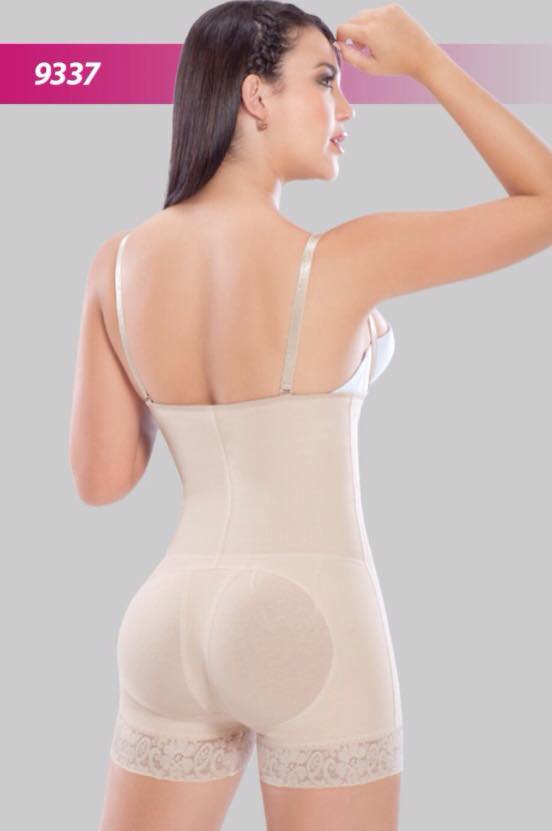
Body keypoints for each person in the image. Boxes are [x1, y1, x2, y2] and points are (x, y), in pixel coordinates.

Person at [68, 3, 552, 830]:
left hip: (166, 624)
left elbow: (103, 480)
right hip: (311, 618)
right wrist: (428, 62)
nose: (347, 108)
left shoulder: (116, 263)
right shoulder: (341, 260)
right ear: (255, 96)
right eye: (326, 81)